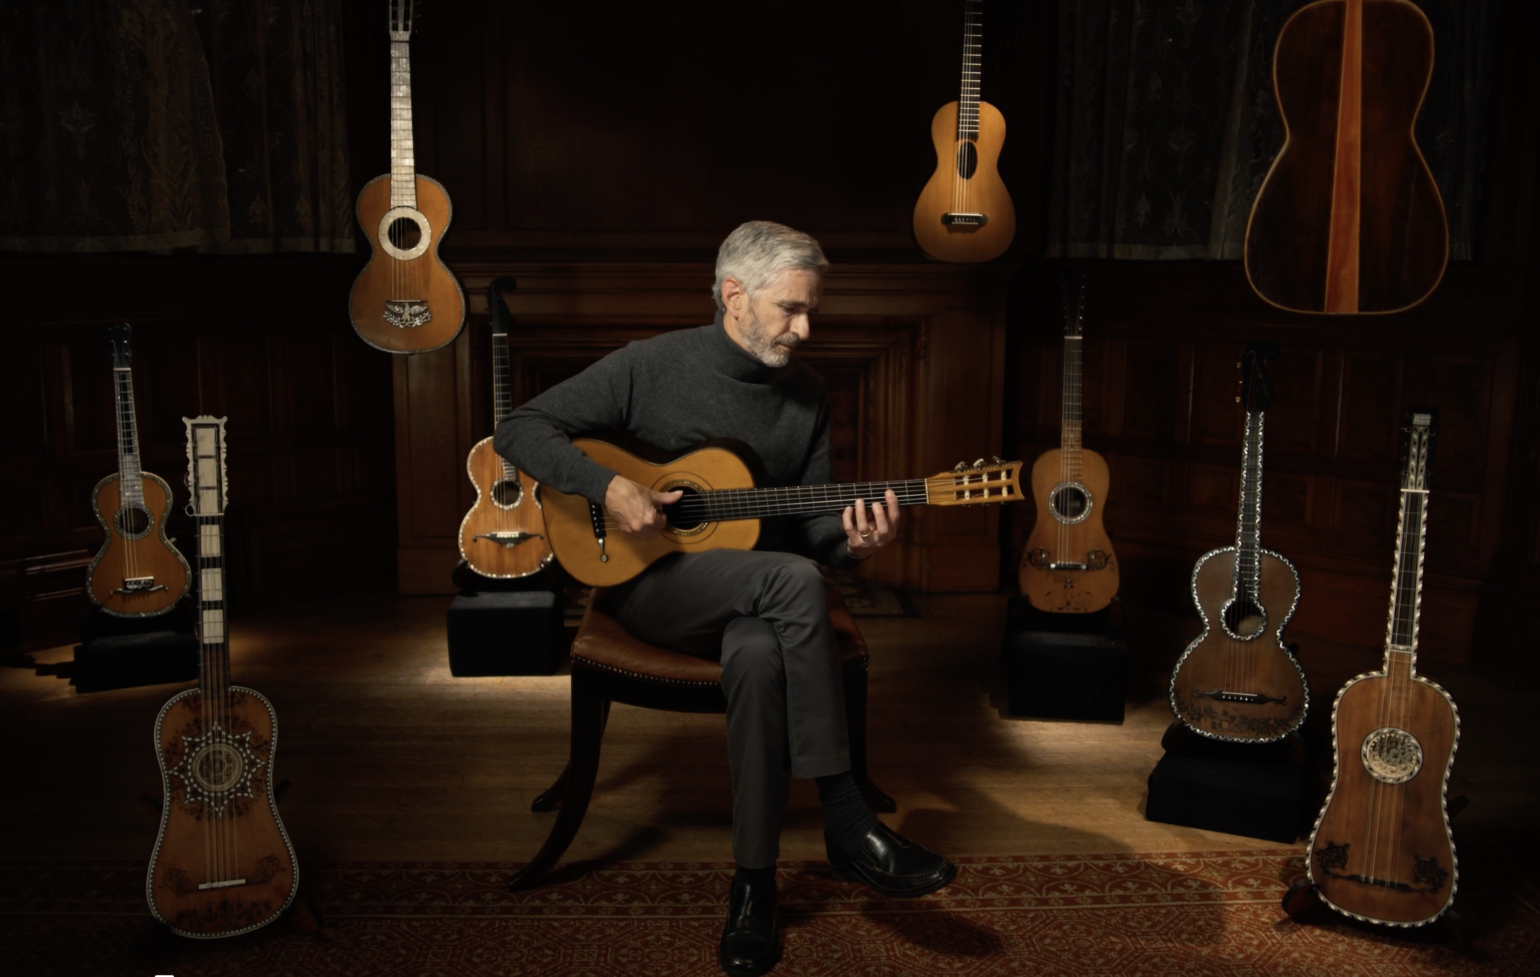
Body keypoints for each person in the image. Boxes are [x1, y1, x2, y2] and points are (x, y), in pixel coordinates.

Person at [496, 220, 956, 976]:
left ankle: (754, 888)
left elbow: (810, 530)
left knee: (756, 653)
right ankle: (846, 817)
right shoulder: (650, 365)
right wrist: (609, 486)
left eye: (812, 311)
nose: (805, 328)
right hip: (650, 585)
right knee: (794, 583)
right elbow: (520, 428)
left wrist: (857, 543)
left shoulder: (804, 393)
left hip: (762, 596)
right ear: (734, 296)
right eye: (790, 309)